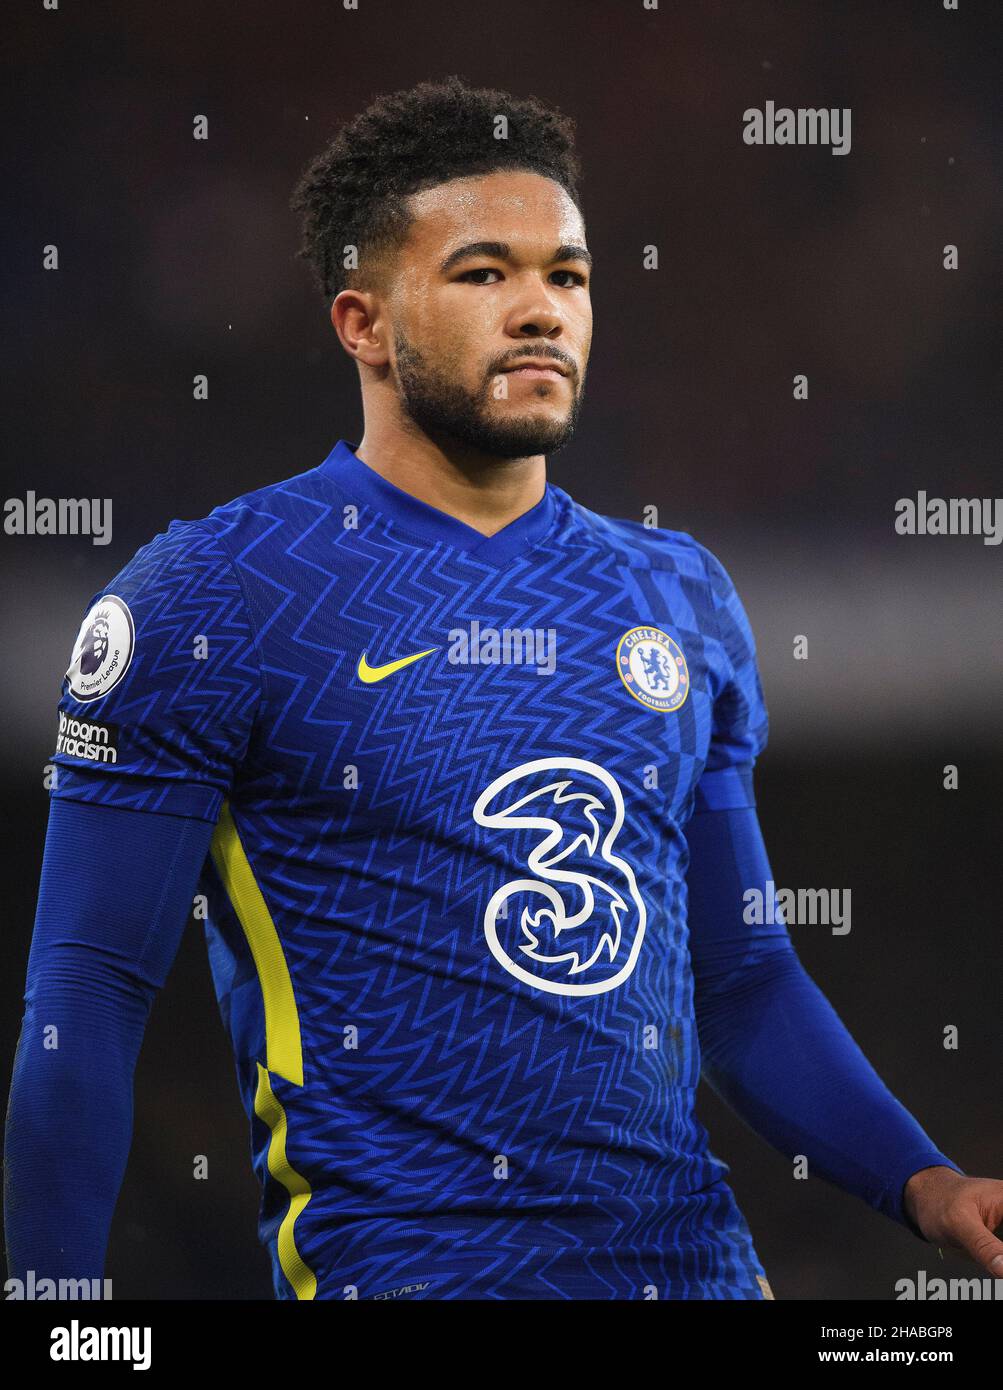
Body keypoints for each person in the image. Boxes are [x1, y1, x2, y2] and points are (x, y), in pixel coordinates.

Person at [6, 75, 1001, 1301]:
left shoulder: (677, 597)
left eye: (567, 276)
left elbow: (744, 980)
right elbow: (88, 992)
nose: (540, 310)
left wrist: (925, 1183)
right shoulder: (216, 597)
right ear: (362, 322)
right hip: (412, 1271)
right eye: (484, 274)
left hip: (696, 1275)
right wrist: (56, 1312)